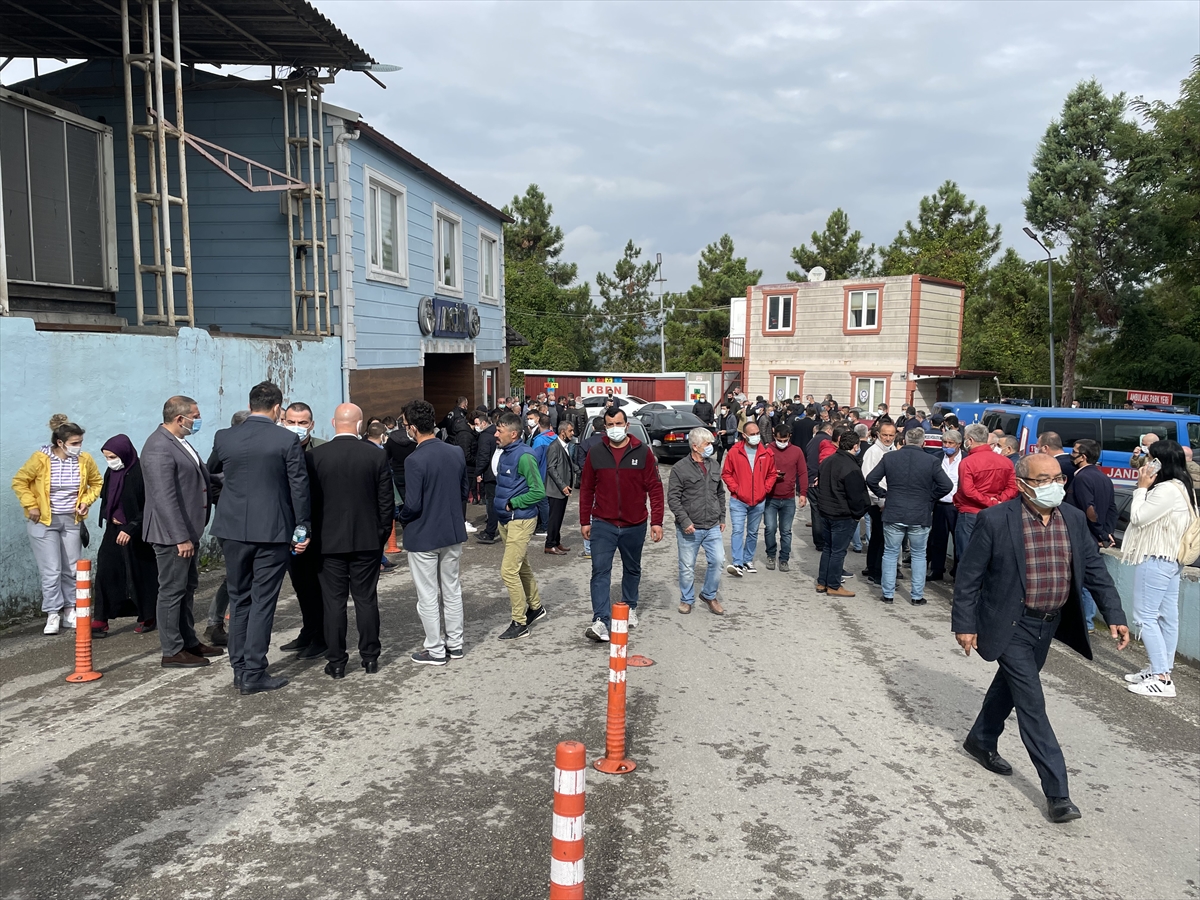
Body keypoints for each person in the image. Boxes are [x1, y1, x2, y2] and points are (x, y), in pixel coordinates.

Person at [952, 452, 1130, 823]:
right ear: (1022, 484)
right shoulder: (996, 520)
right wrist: (965, 624)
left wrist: (1114, 614)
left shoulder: (1074, 519)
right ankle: (1058, 794)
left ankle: (981, 740)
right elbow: (968, 577)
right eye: (1043, 480)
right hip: (1010, 623)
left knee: (1011, 687)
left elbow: (1095, 570)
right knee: (1032, 703)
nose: (1054, 486)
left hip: (1047, 625)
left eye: (1058, 479)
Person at [209, 382, 311, 695]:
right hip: (271, 529)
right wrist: (303, 525)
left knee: (239, 598)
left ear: (250, 404)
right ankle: (254, 671)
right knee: (263, 601)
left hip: (231, 529)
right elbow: (298, 485)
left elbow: (211, 470)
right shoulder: (285, 438)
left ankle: (239, 669)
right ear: (278, 408)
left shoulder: (224, 436)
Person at [310, 403, 393, 678]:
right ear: (360, 425)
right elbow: (385, 503)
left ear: (333, 423)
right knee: (366, 599)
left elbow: (308, 502)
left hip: (327, 541)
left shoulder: (315, 457)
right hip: (367, 539)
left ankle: (336, 661)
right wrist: (381, 535)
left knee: (333, 602)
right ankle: (370, 657)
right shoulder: (375, 455)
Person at [141, 397, 221, 668]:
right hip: (172, 535)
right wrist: (180, 537)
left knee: (187, 589)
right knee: (172, 591)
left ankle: (188, 641)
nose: (198, 420)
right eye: (195, 416)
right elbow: (163, 497)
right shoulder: (158, 447)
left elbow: (199, 476)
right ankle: (172, 650)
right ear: (179, 418)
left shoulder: (179, 442)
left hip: (189, 531)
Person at [12, 415, 103, 635]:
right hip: (43, 521)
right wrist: (31, 505)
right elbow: (20, 481)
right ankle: (52, 613)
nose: (78, 447)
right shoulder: (41, 458)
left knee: (72, 568)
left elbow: (96, 483)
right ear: (60, 443)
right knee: (51, 570)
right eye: (74, 443)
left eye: (80, 442)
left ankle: (70, 610)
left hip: (71, 520)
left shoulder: (84, 460)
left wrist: (85, 502)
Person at [580, 407, 664, 641]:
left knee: (632, 568)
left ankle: (630, 606)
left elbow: (655, 488)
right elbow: (586, 488)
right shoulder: (596, 452)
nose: (614, 428)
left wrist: (657, 521)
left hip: (634, 523)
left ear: (626, 426)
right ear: (605, 427)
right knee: (600, 570)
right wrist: (584, 520)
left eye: (618, 424)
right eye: (610, 425)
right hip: (603, 522)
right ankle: (600, 620)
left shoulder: (643, 452)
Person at [396, 399, 470, 663]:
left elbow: (413, 504)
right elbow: (463, 491)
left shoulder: (414, 459)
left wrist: (402, 517)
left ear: (413, 428)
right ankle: (456, 644)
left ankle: (436, 649)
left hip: (423, 534)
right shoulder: (455, 452)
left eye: (406, 424)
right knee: (452, 590)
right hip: (451, 531)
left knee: (427, 595)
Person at [1121, 440, 1195, 698]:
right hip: (1169, 558)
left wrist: (1141, 488)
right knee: (1167, 617)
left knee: (1145, 617)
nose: (1147, 463)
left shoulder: (1166, 490)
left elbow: (1138, 517)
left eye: (1151, 458)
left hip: (1157, 557)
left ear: (1161, 462)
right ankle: (1159, 670)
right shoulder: (1182, 485)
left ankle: (1162, 678)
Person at [866, 427, 953, 605]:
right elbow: (947, 485)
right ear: (923, 443)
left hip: (894, 510)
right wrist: (930, 498)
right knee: (919, 555)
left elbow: (871, 479)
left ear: (904, 441)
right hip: (919, 513)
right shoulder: (931, 461)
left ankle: (888, 594)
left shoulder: (890, 457)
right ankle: (917, 596)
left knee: (890, 553)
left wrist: (883, 494)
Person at [92, 434, 158, 638]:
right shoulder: (111, 473)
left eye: (113, 457)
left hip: (137, 531)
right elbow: (107, 499)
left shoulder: (140, 473)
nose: (110, 461)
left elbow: (149, 505)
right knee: (106, 569)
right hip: (113, 529)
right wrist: (109, 516)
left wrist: (131, 528)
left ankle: (148, 615)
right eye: (106, 457)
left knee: (141, 572)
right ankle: (101, 618)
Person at [277, 402, 327, 659]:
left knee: (318, 587)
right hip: (288, 532)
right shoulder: (277, 448)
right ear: (283, 422)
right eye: (291, 422)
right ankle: (308, 631)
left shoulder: (322, 450)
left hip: (317, 530)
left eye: (302, 423)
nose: (296, 427)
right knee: (301, 585)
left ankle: (322, 637)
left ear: (312, 424)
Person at [493, 412, 548, 640]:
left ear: (513, 434)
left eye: (499, 430)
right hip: (506, 521)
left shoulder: (524, 456)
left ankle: (519, 622)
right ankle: (536, 607)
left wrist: (513, 503)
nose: (495, 434)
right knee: (521, 566)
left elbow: (538, 491)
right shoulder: (505, 453)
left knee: (508, 571)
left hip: (520, 520)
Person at [203, 409, 251, 646]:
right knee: (236, 575)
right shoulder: (224, 450)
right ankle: (217, 623)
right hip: (232, 523)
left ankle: (221, 622)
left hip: (247, 521)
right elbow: (209, 478)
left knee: (241, 574)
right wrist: (227, 499)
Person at [669, 428, 726, 615]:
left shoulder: (714, 465)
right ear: (695, 446)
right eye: (707, 444)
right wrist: (685, 521)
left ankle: (709, 594)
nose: (711, 447)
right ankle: (686, 599)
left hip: (712, 525)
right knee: (687, 566)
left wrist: (722, 517)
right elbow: (673, 499)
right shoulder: (679, 468)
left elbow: (720, 493)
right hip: (689, 527)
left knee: (718, 560)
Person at [1066, 439, 1117, 633]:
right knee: (1089, 579)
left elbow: (1089, 509)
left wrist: (1099, 531)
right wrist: (1107, 532)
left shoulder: (1082, 478)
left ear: (1083, 457)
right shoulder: (1103, 477)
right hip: (1094, 535)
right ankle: (1086, 621)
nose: (1071, 455)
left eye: (1074, 452)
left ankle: (1084, 622)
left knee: (1081, 580)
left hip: (1083, 535)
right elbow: (1112, 508)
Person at [815, 430, 870, 597]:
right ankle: (833, 584)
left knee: (828, 548)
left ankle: (822, 582)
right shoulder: (851, 467)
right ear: (856, 446)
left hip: (826, 511)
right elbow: (856, 496)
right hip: (842, 514)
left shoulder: (827, 461)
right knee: (838, 551)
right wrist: (858, 514)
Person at [954, 423, 1018, 563]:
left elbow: (968, 491)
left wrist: (990, 502)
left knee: (967, 557)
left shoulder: (967, 462)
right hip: (998, 512)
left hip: (971, 513)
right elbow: (1013, 487)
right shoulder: (1006, 462)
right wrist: (999, 501)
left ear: (970, 440)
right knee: (992, 555)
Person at [722, 420, 777, 576]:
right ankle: (737, 562)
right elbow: (726, 473)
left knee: (753, 532)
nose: (756, 436)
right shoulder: (734, 452)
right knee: (738, 531)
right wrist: (736, 489)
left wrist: (765, 489)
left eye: (757, 433)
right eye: (752, 434)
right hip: (738, 500)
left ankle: (747, 559)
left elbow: (772, 474)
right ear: (744, 436)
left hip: (758, 501)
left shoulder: (766, 453)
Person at [763, 422, 808, 573]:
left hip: (788, 498)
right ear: (774, 437)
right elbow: (759, 470)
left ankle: (784, 559)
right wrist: (771, 475)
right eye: (779, 440)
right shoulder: (767, 450)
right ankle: (771, 555)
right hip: (770, 497)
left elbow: (802, 472)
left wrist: (803, 493)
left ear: (790, 437)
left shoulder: (797, 451)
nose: (782, 443)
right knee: (770, 528)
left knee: (786, 530)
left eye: (785, 440)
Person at [860, 420, 897, 586]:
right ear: (878, 435)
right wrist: (880, 501)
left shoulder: (893, 450)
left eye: (891, 435)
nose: (888, 438)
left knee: (877, 536)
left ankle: (872, 568)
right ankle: (878, 573)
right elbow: (868, 479)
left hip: (886, 499)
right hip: (877, 501)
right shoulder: (873, 452)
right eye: (885, 435)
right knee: (883, 538)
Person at [927, 429, 963, 582]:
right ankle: (937, 569)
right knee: (938, 539)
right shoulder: (936, 458)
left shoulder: (966, 459)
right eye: (945, 442)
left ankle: (957, 571)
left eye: (950, 443)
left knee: (958, 540)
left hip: (957, 506)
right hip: (940, 504)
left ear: (958, 444)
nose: (946, 446)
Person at [545, 421, 577, 554]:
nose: (572, 433)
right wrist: (562, 485)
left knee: (559, 518)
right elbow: (551, 468)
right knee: (554, 518)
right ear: (563, 432)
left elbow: (569, 464)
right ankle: (550, 544)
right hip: (556, 490)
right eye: (570, 431)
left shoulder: (565, 446)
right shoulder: (554, 446)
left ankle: (556, 542)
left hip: (563, 490)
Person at [805, 420, 834, 551]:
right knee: (824, 511)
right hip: (820, 480)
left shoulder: (811, 441)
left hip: (810, 479)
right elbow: (826, 461)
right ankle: (824, 540)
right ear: (829, 430)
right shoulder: (827, 441)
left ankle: (818, 541)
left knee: (815, 511)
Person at [473, 411, 500, 544]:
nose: (476, 427)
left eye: (477, 424)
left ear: (484, 423)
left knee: (491, 504)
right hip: (497, 472)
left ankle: (490, 532)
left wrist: (478, 472)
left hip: (489, 474)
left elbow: (483, 456)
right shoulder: (495, 433)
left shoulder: (485, 436)